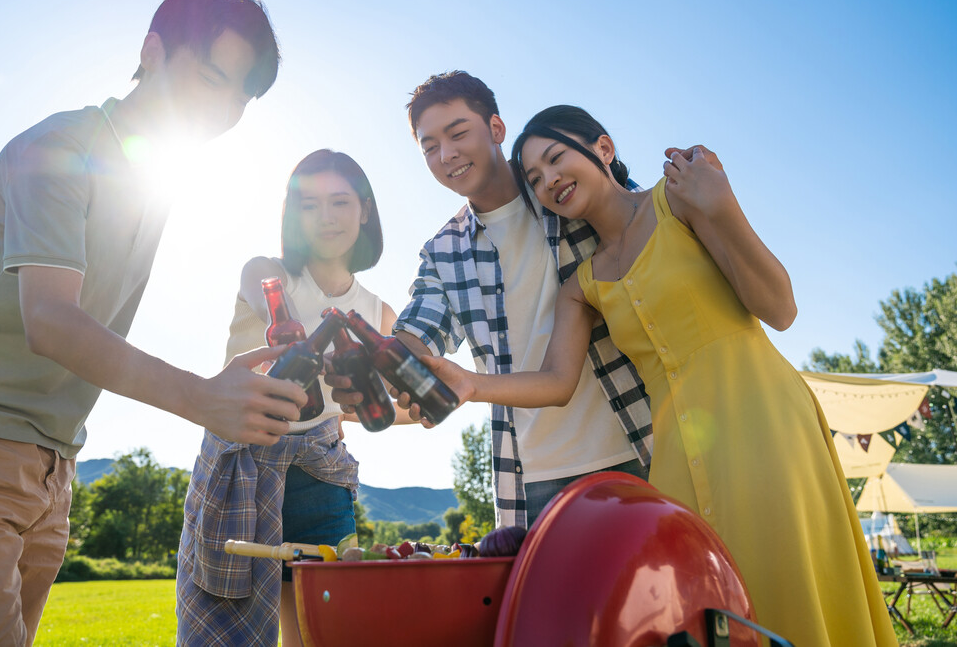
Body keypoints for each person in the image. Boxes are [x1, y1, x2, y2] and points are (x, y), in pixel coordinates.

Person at [425, 104, 897, 646]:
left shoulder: (679, 200)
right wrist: (468, 383)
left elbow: (781, 308)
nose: (549, 180)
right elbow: (556, 382)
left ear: (603, 149)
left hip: (766, 422)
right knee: (706, 611)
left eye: (556, 159)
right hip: (673, 457)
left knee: (789, 584)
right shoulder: (584, 283)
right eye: (534, 178)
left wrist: (721, 204)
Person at [0, 0, 299, 647]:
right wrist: (204, 398)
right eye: (211, 77)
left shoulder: (152, 183)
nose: (221, 109)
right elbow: (50, 319)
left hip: (55, 468)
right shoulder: (58, 147)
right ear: (151, 52)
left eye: (239, 97)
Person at [342, 70, 655, 529]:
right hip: (537, 479)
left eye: (457, 133)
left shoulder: (563, 189)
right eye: (430, 146)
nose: (446, 154)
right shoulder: (443, 251)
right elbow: (416, 333)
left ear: (495, 129)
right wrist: (377, 366)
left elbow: (639, 225)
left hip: (639, 443)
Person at [176, 150, 403, 647]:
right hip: (244, 466)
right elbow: (277, 312)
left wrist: (428, 403)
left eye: (340, 201)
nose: (326, 216)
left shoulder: (376, 311)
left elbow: (385, 405)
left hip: (321, 475)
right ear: (292, 215)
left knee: (323, 628)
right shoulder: (267, 272)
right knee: (224, 630)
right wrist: (303, 344)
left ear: (364, 210)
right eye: (309, 204)